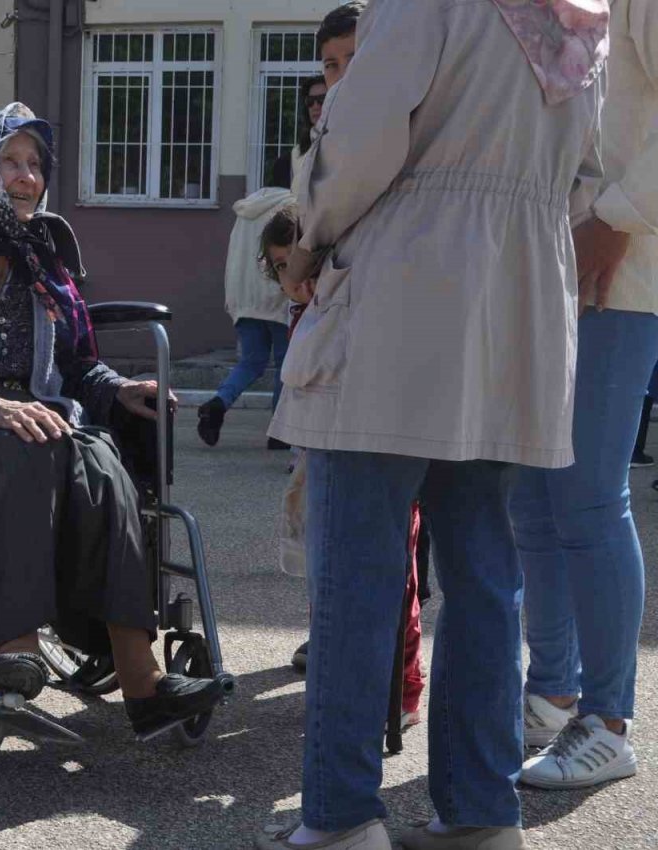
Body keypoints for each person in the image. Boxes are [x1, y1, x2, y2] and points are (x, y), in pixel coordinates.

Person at [257, 0, 607, 847]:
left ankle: (341, 819)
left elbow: (360, 144)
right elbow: (586, 181)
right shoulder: (576, 17)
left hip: (403, 294)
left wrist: (309, 234)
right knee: (487, 576)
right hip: (515, 308)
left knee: (358, 578)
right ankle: (483, 813)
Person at [0, 103, 225, 736]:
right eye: (10, 161)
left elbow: (76, 367)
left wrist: (121, 390)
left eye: (35, 165)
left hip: (40, 415)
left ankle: (141, 677)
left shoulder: (44, 261)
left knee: (104, 459)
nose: (27, 177)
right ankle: (14, 649)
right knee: (26, 445)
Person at [512, 0, 658, 792]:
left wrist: (619, 217)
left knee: (590, 497)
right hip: (552, 262)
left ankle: (608, 721)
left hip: (621, 271)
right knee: (534, 497)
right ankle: (552, 691)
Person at [261, 206, 425, 731]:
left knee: (397, 577)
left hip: (379, 449)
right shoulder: (300, 316)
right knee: (326, 572)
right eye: (284, 269)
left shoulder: (359, 302)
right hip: (317, 458)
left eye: (306, 267)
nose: (299, 283)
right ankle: (337, 678)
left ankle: (402, 689)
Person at [196, 187, 293, 448]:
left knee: (251, 362)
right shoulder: (292, 207)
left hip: (245, 298)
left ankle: (218, 403)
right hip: (280, 298)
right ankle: (280, 432)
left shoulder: (245, 210)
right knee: (286, 366)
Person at [268, 75, 328, 195]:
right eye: (310, 102)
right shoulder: (290, 160)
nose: (315, 106)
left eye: (322, 100)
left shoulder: (346, 149)